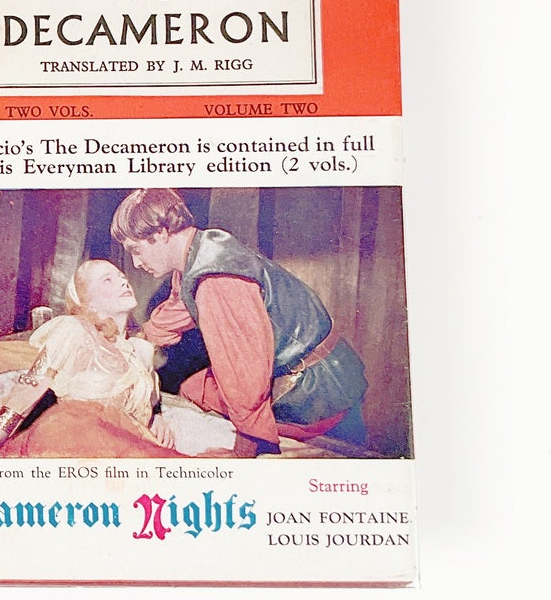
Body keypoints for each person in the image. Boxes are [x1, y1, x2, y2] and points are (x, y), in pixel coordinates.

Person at [111, 188, 368, 457]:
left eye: (136, 250)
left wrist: (241, 453)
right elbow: (175, 312)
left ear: (161, 234)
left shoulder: (216, 281)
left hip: (319, 391)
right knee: (193, 389)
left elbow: (244, 377)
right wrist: (129, 342)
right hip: (325, 371)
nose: (136, 263)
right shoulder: (201, 250)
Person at [0, 259, 233, 458]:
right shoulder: (74, 330)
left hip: (127, 447)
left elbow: (142, 406)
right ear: (88, 302)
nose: (123, 281)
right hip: (75, 438)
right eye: (107, 280)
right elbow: (29, 389)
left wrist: (156, 417)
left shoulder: (139, 351)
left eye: (121, 276)